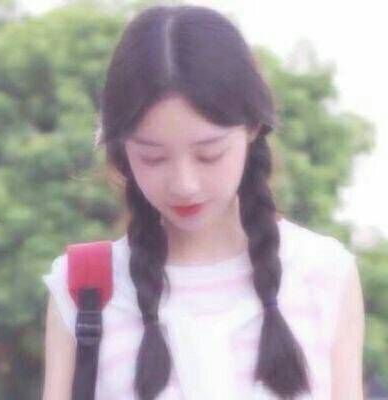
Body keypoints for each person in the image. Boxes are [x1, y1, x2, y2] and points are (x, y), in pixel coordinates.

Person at [41, 4, 365, 400]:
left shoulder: (322, 273)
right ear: (122, 148)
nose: (185, 185)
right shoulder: (84, 288)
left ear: (253, 127)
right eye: (153, 157)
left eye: (209, 154)